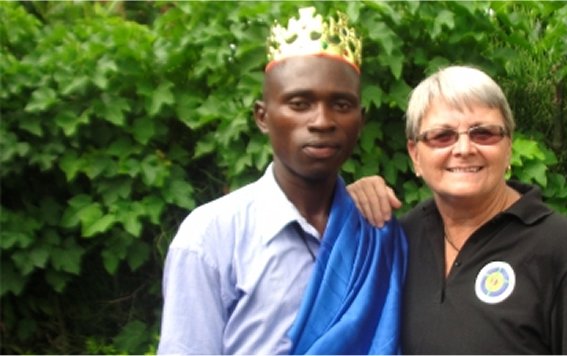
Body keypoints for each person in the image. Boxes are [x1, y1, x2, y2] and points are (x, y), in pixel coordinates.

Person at [158, 7, 407, 355]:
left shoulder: (374, 229)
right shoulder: (211, 236)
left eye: (341, 104)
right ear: (263, 117)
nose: (322, 121)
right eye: (300, 103)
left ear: (360, 120)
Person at [347, 65, 567, 354]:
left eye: (484, 134)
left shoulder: (560, 247)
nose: (464, 148)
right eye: (443, 136)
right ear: (415, 154)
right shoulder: (400, 241)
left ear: (509, 148)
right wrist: (346, 204)